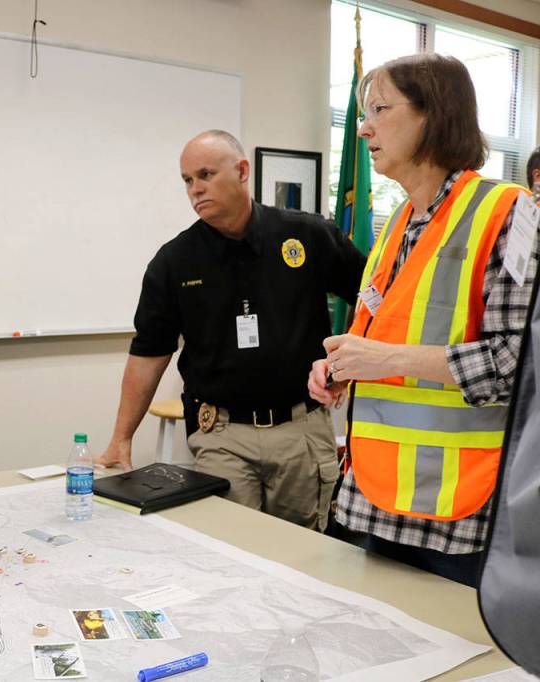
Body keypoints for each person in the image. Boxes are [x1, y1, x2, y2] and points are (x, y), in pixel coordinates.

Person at [308, 54, 539, 586]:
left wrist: (383, 359)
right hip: (373, 497)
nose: (363, 126)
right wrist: (341, 370)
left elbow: (519, 364)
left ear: (431, 116)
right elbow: (383, 336)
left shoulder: (512, 212)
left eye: (380, 109)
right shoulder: (395, 225)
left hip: (459, 510)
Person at [95, 130, 366, 531]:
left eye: (205, 174)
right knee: (230, 549)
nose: (195, 189)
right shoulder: (175, 262)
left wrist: (346, 364)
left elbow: (374, 299)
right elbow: (149, 353)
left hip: (301, 431)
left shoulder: (307, 235)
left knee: (302, 556)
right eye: (187, 180)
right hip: (222, 434)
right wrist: (121, 436)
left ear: (241, 171)